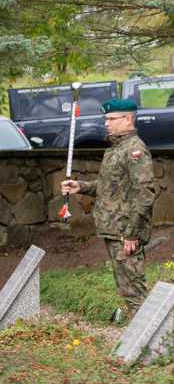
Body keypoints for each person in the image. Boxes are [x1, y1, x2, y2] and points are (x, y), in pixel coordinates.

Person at [60, 98, 155, 320]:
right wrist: (80, 187)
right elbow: (110, 187)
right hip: (114, 230)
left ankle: (151, 341)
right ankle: (139, 337)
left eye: (112, 119)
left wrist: (132, 233)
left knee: (135, 290)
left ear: (128, 119)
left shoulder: (134, 150)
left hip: (125, 233)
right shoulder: (117, 148)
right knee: (127, 288)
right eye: (106, 119)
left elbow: (145, 193)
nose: (107, 124)